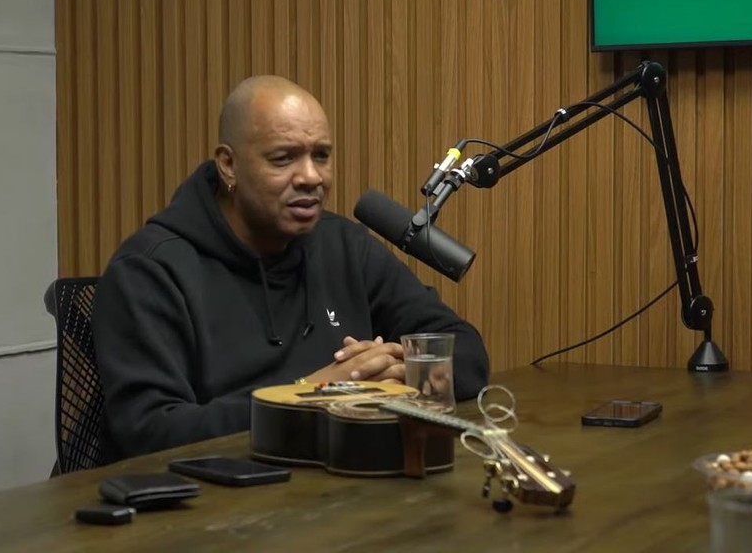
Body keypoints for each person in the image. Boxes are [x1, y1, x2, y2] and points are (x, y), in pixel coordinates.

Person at [92, 75, 489, 462]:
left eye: (321, 156)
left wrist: (397, 371)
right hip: (213, 495)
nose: (311, 177)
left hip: (336, 482)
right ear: (229, 165)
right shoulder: (148, 270)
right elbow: (149, 434)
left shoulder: (345, 246)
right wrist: (312, 394)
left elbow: (466, 352)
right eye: (283, 158)